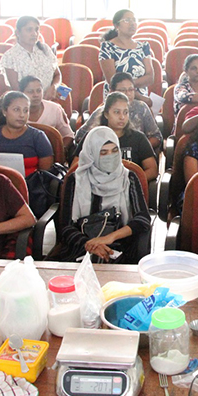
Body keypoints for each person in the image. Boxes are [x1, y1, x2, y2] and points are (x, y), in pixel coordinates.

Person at [57, 126, 150, 264]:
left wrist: (110, 238)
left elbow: (143, 219)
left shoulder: (128, 177)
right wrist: (91, 245)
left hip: (121, 244)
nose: (110, 157)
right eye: (103, 153)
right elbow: (66, 226)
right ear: (91, 154)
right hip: (82, 245)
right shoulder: (76, 180)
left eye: (114, 151)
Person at [74, 92, 157, 182]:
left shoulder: (138, 138)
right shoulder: (92, 137)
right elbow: (75, 167)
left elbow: (152, 170)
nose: (122, 117)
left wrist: (132, 182)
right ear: (106, 114)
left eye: (125, 112)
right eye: (117, 112)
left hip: (129, 187)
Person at [77, 72, 161, 153]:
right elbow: (80, 136)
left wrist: (140, 148)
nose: (128, 94)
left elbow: (156, 136)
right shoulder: (103, 110)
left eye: (131, 90)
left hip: (136, 158)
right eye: (123, 90)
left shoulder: (142, 108)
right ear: (112, 91)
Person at [0, 91, 54, 177]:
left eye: (26, 110)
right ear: (4, 111)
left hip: (30, 187)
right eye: (16, 110)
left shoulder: (38, 137)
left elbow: (46, 174)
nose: (22, 115)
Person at [98, 9, 154, 105]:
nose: (132, 23)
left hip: (141, 101)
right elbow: (113, 81)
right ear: (116, 25)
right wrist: (137, 94)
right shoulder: (107, 47)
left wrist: (128, 87)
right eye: (127, 20)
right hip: (117, 101)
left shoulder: (143, 46)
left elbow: (150, 77)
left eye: (134, 20)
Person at [0, 16, 59, 93]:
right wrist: (38, 99)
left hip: (51, 96)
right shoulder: (10, 56)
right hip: (27, 102)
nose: (34, 34)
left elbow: (57, 75)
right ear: (17, 33)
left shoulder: (45, 49)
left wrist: (54, 87)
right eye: (29, 30)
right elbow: (16, 89)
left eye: (36, 30)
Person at [19, 76, 73, 148]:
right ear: (21, 93)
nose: (36, 95)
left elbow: (68, 135)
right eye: (30, 91)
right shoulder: (14, 111)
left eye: (39, 91)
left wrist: (60, 152)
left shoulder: (55, 109)